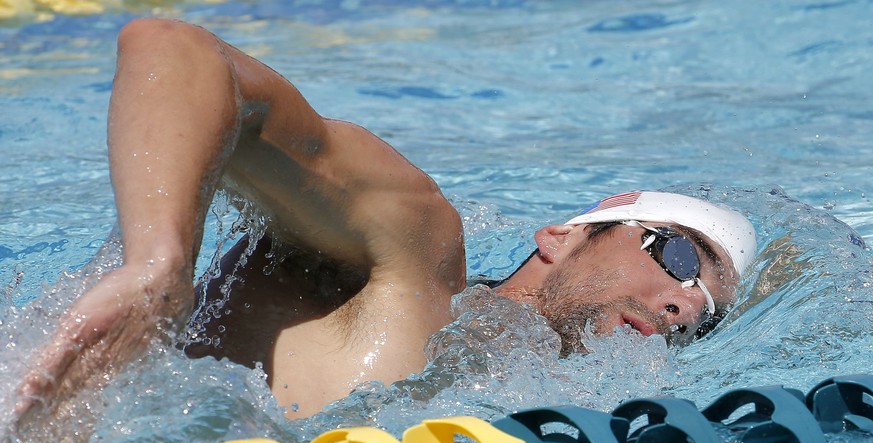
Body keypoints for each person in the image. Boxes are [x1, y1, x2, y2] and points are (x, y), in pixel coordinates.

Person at [14, 19, 756, 420]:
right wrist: (160, 264)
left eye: (706, 315)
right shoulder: (410, 257)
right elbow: (171, 47)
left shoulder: (547, 409)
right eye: (680, 259)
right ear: (561, 235)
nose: (685, 303)